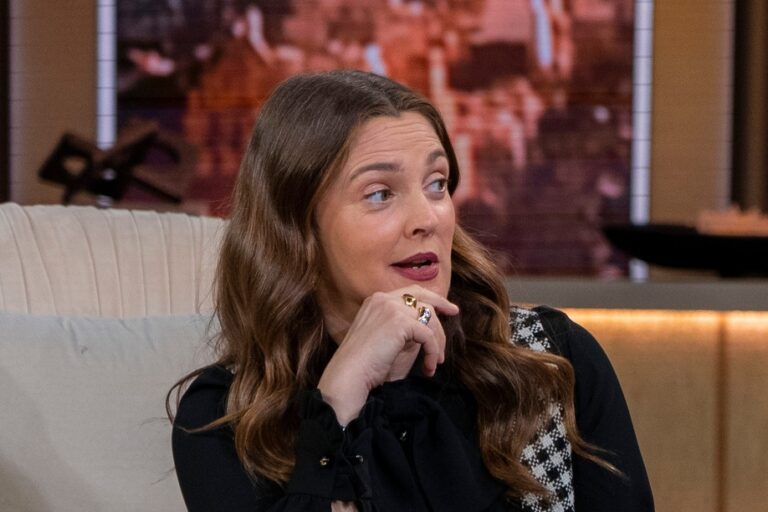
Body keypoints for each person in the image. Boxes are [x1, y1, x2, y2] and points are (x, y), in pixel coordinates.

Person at [170, 70, 654, 512]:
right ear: (297, 228)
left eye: (436, 184)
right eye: (380, 193)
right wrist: (335, 406)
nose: (427, 218)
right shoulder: (228, 417)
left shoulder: (550, 361)